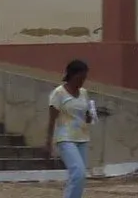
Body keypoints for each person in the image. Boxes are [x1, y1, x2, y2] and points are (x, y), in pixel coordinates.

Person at [46, 59, 95, 198]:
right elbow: (51, 120)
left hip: (82, 137)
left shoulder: (84, 93)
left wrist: (90, 116)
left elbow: (86, 117)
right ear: (72, 75)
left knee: (80, 176)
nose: (82, 81)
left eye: (84, 78)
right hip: (65, 138)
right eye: (80, 78)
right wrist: (48, 142)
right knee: (77, 172)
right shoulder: (59, 93)